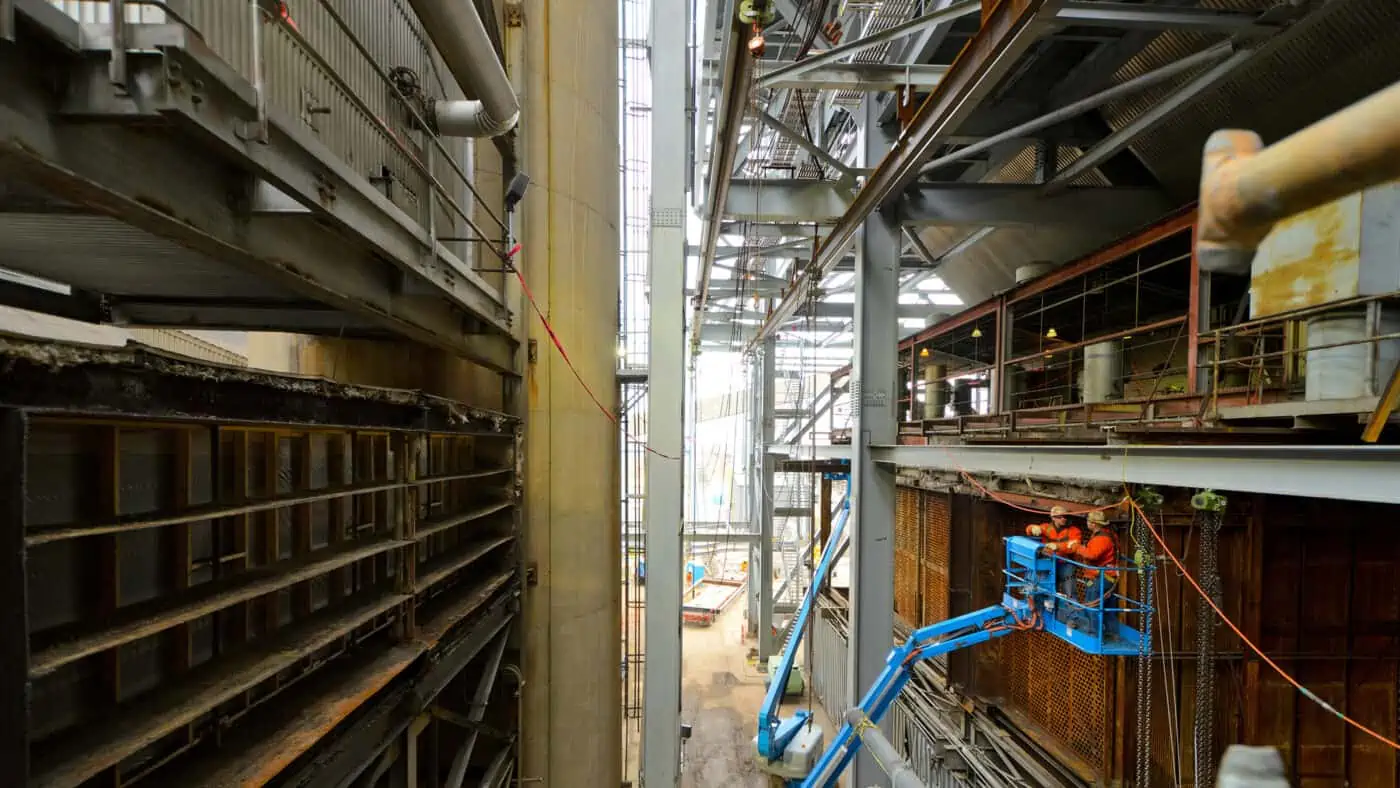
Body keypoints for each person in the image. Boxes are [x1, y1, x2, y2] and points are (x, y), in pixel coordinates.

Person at [1068, 510, 1120, 634]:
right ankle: (1112, 634)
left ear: (1093, 524)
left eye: (1088, 521)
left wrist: (1076, 547)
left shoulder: (1101, 539)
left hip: (1100, 578)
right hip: (1108, 576)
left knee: (1092, 607)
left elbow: (1092, 555)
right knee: (1108, 609)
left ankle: (1094, 634)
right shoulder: (1110, 535)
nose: (1087, 523)